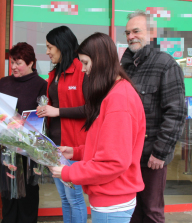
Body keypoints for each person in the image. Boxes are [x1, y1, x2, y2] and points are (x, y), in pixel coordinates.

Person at [49, 32, 146, 223]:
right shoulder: (115, 93)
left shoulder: (119, 99)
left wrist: (69, 173)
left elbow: (113, 162)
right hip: (110, 197)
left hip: (112, 199)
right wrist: (76, 152)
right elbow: (109, 147)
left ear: (100, 61)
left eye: (85, 63)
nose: (83, 70)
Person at [121, 10, 186, 223]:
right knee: (132, 211)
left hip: (151, 158)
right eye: (128, 32)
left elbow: (176, 113)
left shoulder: (166, 64)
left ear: (152, 32)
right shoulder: (125, 67)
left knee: (151, 212)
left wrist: (160, 153)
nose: (131, 36)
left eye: (136, 31)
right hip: (128, 157)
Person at [0, 42, 47, 223]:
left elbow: (41, 117)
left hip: (26, 148)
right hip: (2, 145)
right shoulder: (4, 82)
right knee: (7, 191)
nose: (14, 67)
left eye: (19, 63)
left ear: (31, 63)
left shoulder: (41, 85)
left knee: (28, 192)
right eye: (12, 62)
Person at [35, 26, 87, 223]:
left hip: (72, 145)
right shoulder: (55, 73)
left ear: (61, 45)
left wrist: (57, 111)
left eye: (50, 47)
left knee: (75, 199)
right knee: (65, 199)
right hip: (54, 144)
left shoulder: (82, 69)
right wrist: (45, 109)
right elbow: (56, 104)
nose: (47, 52)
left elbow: (91, 109)